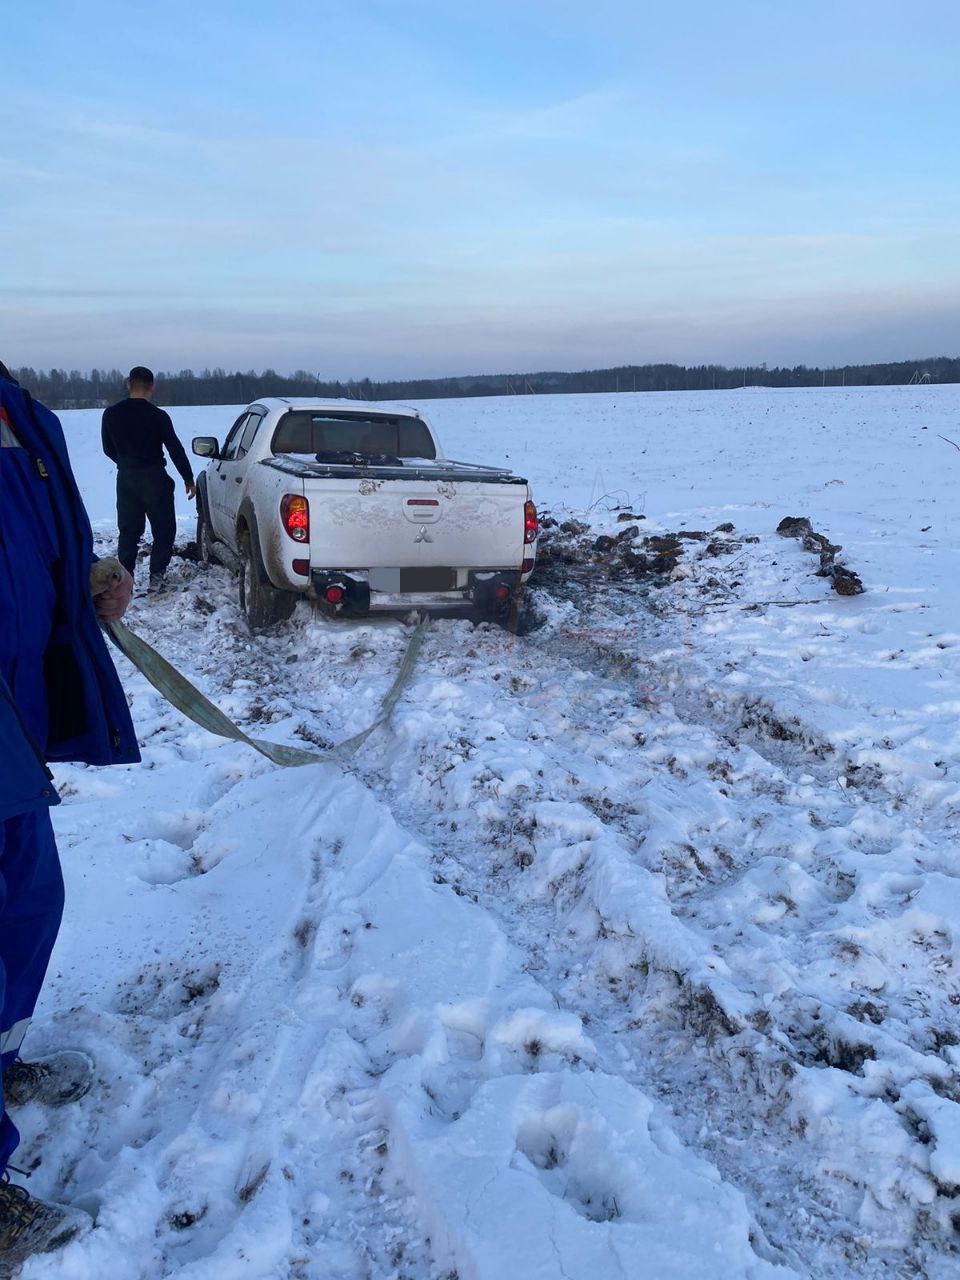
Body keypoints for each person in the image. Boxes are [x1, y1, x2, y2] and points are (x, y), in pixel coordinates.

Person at [0, 361, 139, 1266]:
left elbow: (44, 537)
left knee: (26, 904)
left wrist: (91, 575)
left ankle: (1, 1065)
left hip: (14, 706)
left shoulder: (22, 412)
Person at [101, 366, 196, 593]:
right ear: (152, 387)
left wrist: (125, 463)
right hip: (155, 479)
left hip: (126, 480)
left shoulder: (111, 414)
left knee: (128, 532)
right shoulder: (158, 416)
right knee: (164, 530)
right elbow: (175, 449)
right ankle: (156, 577)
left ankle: (125, 581)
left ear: (128, 384)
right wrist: (188, 478)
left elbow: (107, 448)